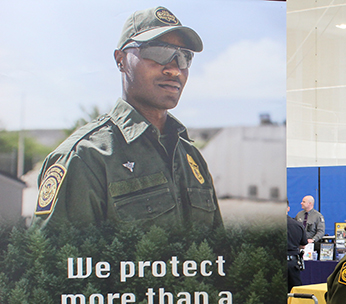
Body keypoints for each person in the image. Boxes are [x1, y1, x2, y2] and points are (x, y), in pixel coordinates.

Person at [31, 6, 221, 231]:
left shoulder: (191, 156)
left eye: (184, 57)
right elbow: (55, 263)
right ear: (120, 60)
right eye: (158, 52)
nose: (175, 69)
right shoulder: (85, 157)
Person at [287, 203, 307, 304]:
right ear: (288, 208)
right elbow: (303, 243)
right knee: (296, 298)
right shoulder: (297, 224)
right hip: (292, 264)